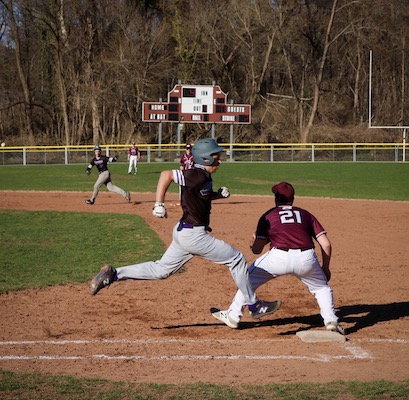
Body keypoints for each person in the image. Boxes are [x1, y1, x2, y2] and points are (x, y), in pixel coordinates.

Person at [89, 138, 280, 322]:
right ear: (205, 158)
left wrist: (217, 195)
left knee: (160, 270)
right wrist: (158, 204)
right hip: (194, 235)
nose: (219, 160)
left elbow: (199, 196)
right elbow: (166, 175)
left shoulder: (203, 176)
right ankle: (255, 306)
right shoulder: (196, 174)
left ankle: (114, 274)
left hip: (183, 233)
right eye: (216, 156)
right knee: (237, 259)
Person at [211, 181, 344, 334]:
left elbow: (256, 250)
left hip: (278, 257)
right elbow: (325, 244)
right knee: (321, 288)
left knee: (246, 280)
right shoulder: (306, 214)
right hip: (307, 257)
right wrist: (325, 268)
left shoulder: (268, 215)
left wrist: (253, 242)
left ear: (276, 198)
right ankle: (331, 321)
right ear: (293, 198)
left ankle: (233, 316)